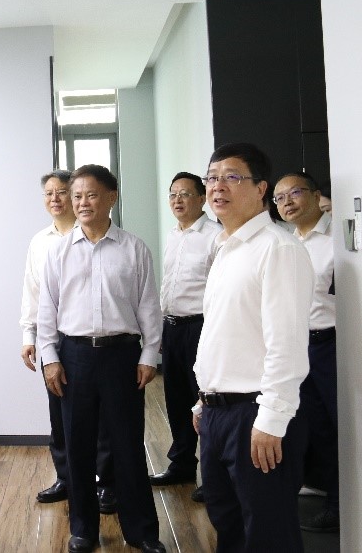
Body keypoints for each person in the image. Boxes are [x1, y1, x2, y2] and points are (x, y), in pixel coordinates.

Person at [37, 165, 165, 553]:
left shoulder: (134, 249)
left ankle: (141, 531)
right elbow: (47, 309)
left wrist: (149, 354)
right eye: (76, 196)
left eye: (91, 195)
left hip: (121, 356)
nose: (81, 203)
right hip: (73, 357)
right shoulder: (58, 251)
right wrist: (49, 357)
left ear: (111, 197)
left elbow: (149, 307)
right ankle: (83, 530)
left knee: (128, 445)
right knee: (77, 446)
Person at [193, 143, 313, 552]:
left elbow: (287, 344)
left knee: (268, 533)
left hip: (256, 414)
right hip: (217, 413)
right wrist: (202, 401)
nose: (217, 186)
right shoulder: (226, 248)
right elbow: (220, 332)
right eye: (212, 177)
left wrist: (272, 419)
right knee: (227, 524)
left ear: (261, 188)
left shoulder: (278, 249)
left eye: (231, 177)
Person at [19, 170, 117, 513]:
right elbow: (32, 291)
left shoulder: (92, 234)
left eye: (62, 192)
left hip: (89, 337)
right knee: (60, 413)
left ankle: (106, 482)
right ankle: (67, 477)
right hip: (53, 338)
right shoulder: (40, 242)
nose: (55, 199)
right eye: (48, 194)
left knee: (101, 416)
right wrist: (29, 334)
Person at [149, 172, 222, 504]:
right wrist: (161, 327)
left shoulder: (215, 236)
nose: (177, 200)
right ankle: (181, 464)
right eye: (173, 194)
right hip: (173, 327)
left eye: (185, 194)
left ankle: (213, 476)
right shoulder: (173, 235)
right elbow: (169, 285)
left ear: (202, 199)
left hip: (202, 327)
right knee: (176, 400)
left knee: (204, 402)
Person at [273, 171, 339, 532]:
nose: (287, 202)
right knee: (312, 426)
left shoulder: (336, 240)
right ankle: (324, 487)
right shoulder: (285, 243)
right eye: (280, 198)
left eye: (294, 193)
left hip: (330, 345)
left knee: (338, 424)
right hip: (297, 345)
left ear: (315, 195)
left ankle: (341, 504)